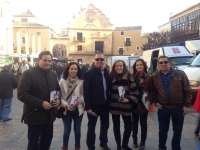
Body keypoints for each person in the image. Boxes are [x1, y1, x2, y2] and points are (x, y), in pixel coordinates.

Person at [17, 51, 61, 150]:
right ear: (39, 60)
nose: (47, 63)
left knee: (47, 141)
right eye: (45, 60)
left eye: (49, 61)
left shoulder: (52, 74)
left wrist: (57, 99)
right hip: (35, 116)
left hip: (49, 116)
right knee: (33, 144)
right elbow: (21, 94)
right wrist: (40, 103)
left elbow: (58, 89)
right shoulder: (28, 74)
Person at [152, 56, 192, 150]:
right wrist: (156, 102)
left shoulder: (180, 74)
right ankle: (162, 147)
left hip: (178, 107)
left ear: (169, 63)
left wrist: (186, 105)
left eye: (165, 62)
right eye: (161, 63)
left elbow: (188, 90)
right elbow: (153, 92)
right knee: (162, 131)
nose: (163, 64)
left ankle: (176, 147)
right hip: (163, 108)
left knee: (177, 130)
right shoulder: (155, 77)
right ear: (158, 65)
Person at [84, 52, 111, 150]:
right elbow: (85, 92)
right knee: (91, 127)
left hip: (105, 104)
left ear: (104, 61)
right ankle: (90, 146)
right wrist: (87, 107)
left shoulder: (107, 72)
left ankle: (103, 143)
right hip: (93, 106)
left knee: (105, 125)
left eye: (101, 59)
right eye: (97, 59)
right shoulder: (88, 73)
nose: (99, 61)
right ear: (94, 61)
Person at [109, 60, 138, 150]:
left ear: (124, 67)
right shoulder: (110, 77)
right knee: (116, 127)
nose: (119, 68)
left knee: (128, 126)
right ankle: (118, 145)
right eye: (117, 66)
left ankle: (124, 144)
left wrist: (128, 100)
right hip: (114, 106)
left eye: (120, 66)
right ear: (114, 68)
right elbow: (106, 91)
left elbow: (135, 92)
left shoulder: (129, 77)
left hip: (126, 106)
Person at [59, 62, 84, 150]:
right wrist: (65, 105)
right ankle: (65, 147)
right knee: (67, 131)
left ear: (78, 70)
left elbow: (85, 94)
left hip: (78, 109)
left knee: (77, 131)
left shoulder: (81, 81)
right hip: (67, 110)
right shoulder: (62, 81)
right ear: (68, 70)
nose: (73, 71)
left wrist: (81, 100)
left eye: (75, 69)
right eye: (71, 69)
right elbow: (59, 97)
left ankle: (77, 147)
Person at [132, 59, 152, 150]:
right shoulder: (132, 77)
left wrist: (150, 101)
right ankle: (135, 140)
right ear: (135, 67)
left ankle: (142, 142)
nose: (139, 66)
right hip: (134, 103)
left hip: (144, 103)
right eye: (137, 65)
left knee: (143, 124)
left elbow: (152, 91)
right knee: (134, 123)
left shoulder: (148, 77)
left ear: (144, 66)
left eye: (141, 64)